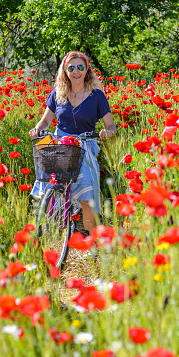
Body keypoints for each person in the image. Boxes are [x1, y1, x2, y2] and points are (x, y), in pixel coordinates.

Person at [29, 51, 117, 234]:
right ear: (65, 71)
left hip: (85, 144)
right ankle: (45, 226)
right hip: (61, 143)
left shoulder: (97, 96)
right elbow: (46, 121)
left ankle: (91, 241)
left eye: (80, 67)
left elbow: (111, 126)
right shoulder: (58, 94)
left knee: (86, 196)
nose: (76, 71)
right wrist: (37, 129)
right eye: (71, 68)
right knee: (47, 183)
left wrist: (107, 133)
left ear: (87, 70)